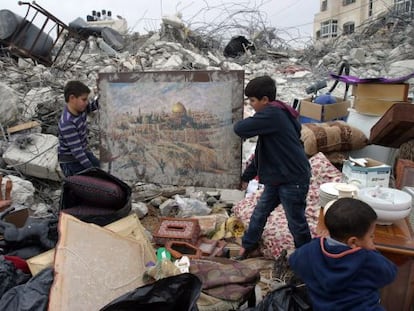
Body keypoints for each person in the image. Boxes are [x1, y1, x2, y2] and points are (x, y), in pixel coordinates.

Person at [233, 75, 311, 259]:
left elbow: (240, 128)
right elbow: (261, 153)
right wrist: (246, 177)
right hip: (278, 177)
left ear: (265, 100)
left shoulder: (272, 114)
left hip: (293, 178)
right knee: (260, 212)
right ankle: (248, 246)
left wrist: (235, 118)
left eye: (252, 100)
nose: (251, 104)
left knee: (296, 222)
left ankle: (308, 258)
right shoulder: (276, 114)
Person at [289, 198, 397, 310]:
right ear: (353, 242)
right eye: (371, 236)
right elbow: (390, 274)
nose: (373, 239)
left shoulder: (310, 250)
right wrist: (372, 250)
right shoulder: (367, 259)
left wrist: (317, 240)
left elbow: (294, 261)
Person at [58, 80, 100, 177]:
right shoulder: (68, 123)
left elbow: (92, 107)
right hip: (71, 162)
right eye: (84, 99)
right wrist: (91, 169)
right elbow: (77, 151)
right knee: (93, 180)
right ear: (72, 98)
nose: (86, 103)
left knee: (102, 168)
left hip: (82, 153)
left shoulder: (80, 109)